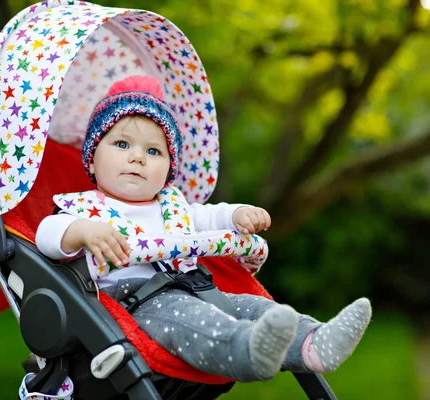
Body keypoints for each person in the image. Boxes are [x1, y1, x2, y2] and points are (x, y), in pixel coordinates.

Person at [36, 75, 372, 382]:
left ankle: (314, 342)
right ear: (92, 158)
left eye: (153, 151)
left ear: (168, 171)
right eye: (122, 145)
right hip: (135, 306)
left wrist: (239, 214)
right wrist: (82, 231)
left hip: (193, 288)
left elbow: (212, 216)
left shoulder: (172, 206)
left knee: (253, 307)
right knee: (196, 321)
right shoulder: (84, 208)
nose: (137, 158)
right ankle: (247, 352)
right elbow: (47, 235)